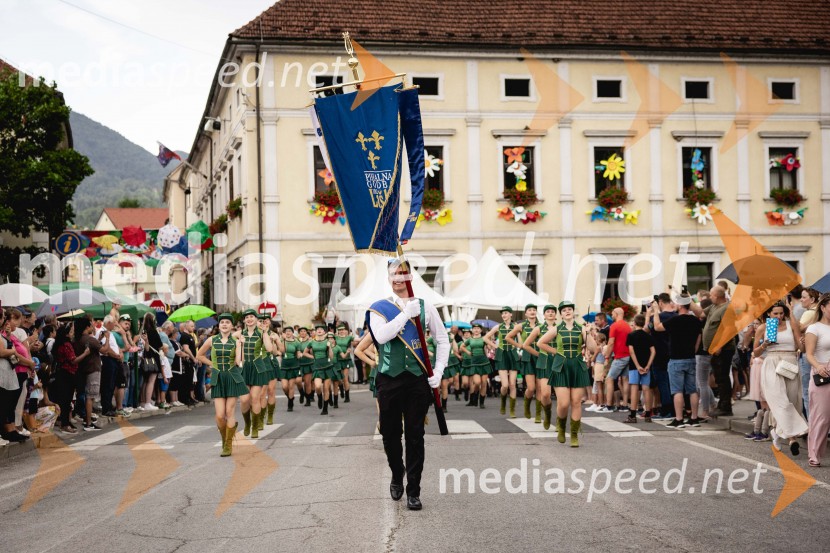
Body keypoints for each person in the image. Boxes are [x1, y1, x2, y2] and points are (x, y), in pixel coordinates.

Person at [367, 259, 449, 511]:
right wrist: (405, 314)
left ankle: (414, 490)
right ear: (388, 278)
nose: (398, 278)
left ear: (410, 277)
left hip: (416, 380)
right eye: (393, 274)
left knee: (415, 436)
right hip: (389, 379)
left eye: (403, 273)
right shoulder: (378, 308)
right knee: (390, 435)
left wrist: (438, 371)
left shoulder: (426, 307)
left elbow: (443, 340)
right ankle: (396, 472)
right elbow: (381, 337)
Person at [538, 301, 594, 447]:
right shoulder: (556, 329)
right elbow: (540, 343)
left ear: (573, 312)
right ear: (561, 314)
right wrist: (556, 352)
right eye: (564, 310)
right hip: (560, 366)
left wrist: (589, 333)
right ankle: (561, 426)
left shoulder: (582, 328)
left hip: (577, 366)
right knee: (563, 403)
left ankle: (574, 435)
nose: (567, 311)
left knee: (576, 402)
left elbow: (593, 348)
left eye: (570, 309)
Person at [754, 300, 806, 456]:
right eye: (775, 313)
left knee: (792, 401)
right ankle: (792, 439)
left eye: (781, 313)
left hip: (790, 362)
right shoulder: (764, 327)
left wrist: (802, 342)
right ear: (769, 313)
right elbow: (755, 353)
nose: (778, 316)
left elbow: (801, 348)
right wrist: (764, 345)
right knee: (780, 401)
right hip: (771, 362)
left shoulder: (791, 325)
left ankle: (776, 432)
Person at [196, 313, 246, 457]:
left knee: (229, 413)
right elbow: (199, 355)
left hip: (232, 377)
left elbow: (239, 362)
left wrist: (241, 346)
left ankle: (228, 445)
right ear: (218, 325)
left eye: (227, 322)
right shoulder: (212, 340)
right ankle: (225, 438)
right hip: (217, 378)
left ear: (232, 326)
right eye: (222, 322)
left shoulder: (236, 342)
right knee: (219, 416)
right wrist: (212, 365)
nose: (224, 324)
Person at [651, 293, 703, 428]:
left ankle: (679, 419)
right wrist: (693, 351)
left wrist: (656, 311)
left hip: (676, 358)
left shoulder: (674, 320)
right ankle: (694, 418)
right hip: (690, 357)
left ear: (679, 305)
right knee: (692, 390)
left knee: (677, 390)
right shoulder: (695, 321)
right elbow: (698, 339)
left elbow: (657, 327)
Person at [690, 285, 736, 417]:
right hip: (715, 349)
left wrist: (719, 345)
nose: (710, 298)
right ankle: (722, 405)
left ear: (717, 296)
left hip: (723, 349)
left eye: (712, 295)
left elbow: (728, 330)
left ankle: (725, 406)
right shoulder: (714, 306)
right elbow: (700, 313)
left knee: (722, 377)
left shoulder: (727, 308)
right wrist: (687, 299)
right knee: (719, 377)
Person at [236, 309, 273, 438]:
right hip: (244, 368)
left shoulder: (261, 333)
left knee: (255, 397)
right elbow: (226, 337)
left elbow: (269, 348)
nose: (249, 319)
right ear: (244, 320)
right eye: (247, 317)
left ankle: (255, 426)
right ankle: (247, 423)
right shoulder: (240, 333)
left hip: (258, 367)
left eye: (252, 316)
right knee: (244, 399)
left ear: (256, 319)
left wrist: (265, 332)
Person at [521, 304, 558, 427]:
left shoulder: (561, 328)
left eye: (553, 311)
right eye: (548, 311)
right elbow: (526, 345)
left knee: (560, 396)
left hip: (559, 362)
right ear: (544, 315)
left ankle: (559, 421)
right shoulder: (538, 328)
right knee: (545, 393)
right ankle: (547, 414)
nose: (551, 313)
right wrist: (538, 354)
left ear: (556, 314)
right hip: (544, 362)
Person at [804, 293, 830, 467]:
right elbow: (809, 354)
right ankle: (814, 454)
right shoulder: (814, 328)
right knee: (822, 418)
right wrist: (818, 366)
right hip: (823, 374)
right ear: (823, 307)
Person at [505, 304, 540, 419]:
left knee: (540, 387)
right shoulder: (521, 326)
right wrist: (519, 345)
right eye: (529, 310)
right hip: (527, 357)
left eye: (534, 310)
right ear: (525, 313)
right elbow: (508, 337)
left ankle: (538, 414)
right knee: (531, 388)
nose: (532, 312)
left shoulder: (541, 325)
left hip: (540, 356)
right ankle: (527, 405)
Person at [53, 324, 89, 433]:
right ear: (67, 334)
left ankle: (66, 422)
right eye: (71, 331)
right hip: (67, 374)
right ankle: (65, 423)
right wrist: (85, 353)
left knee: (66, 400)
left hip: (63, 373)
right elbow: (73, 360)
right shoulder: (66, 345)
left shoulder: (59, 344)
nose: (73, 333)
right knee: (66, 400)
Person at [484, 307, 519, 417]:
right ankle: (503, 402)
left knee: (512, 384)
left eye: (506, 313)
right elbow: (485, 338)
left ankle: (512, 410)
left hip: (513, 354)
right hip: (502, 354)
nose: (503, 315)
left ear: (511, 314)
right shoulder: (498, 326)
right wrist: (495, 347)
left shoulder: (516, 326)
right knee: (505, 385)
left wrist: (518, 337)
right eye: (502, 313)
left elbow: (521, 341)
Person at [74, 317, 104, 431]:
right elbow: (104, 350)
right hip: (92, 369)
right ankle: (88, 422)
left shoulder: (77, 339)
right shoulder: (88, 339)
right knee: (90, 397)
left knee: (86, 395)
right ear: (87, 327)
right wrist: (107, 338)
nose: (93, 327)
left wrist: (99, 339)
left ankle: (87, 420)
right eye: (91, 325)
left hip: (83, 369)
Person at [623, 314, 655, 423]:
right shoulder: (648, 336)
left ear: (635, 323)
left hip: (634, 366)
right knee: (646, 389)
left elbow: (631, 351)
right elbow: (653, 352)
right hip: (646, 366)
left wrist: (637, 366)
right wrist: (647, 366)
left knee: (634, 389)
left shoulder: (631, 335)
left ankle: (632, 415)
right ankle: (648, 414)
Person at [601, 307, 631, 413]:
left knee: (609, 379)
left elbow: (611, 343)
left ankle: (609, 405)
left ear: (616, 313)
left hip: (620, 356)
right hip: (628, 355)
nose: (611, 315)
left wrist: (607, 357)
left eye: (612, 313)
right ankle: (625, 405)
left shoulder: (614, 326)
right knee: (625, 380)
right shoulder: (628, 326)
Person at [460, 323, 495, 409]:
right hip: (474, 363)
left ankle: (482, 402)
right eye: (474, 328)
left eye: (478, 328)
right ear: (472, 330)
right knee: (477, 382)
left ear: (481, 330)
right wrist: (468, 352)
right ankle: (475, 395)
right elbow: (462, 347)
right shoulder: (470, 339)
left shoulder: (484, 338)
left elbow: (491, 348)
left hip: (484, 362)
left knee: (483, 383)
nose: (476, 330)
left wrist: (490, 340)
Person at [798, 287, 820, 417]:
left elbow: (799, 328)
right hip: (815, 353)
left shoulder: (809, 313)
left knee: (807, 391)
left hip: (806, 353)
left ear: (812, 299)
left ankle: (812, 424)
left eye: (804, 297)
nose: (801, 299)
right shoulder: (816, 312)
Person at [304, 323, 334, 415]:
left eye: (321, 329)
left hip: (327, 366)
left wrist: (329, 348)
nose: (319, 330)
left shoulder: (327, 342)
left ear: (324, 332)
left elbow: (331, 357)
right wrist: (313, 357)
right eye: (318, 329)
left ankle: (325, 408)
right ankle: (319, 397)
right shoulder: (311, 342)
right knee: (317, 386)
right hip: (317, 366)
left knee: (326, 388)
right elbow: (305, 352)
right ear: (316, 332)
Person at [279, 325, 303, 412]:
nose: (288, 333)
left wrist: (300, 354)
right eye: (286, 331)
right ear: (284, 333)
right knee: (284, 387)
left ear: (293, 333)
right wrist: (283, 341)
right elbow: (281, 351)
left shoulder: (296, 342)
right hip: (284, 365)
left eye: (290, 331)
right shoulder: (281, 341)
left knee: (291, 386)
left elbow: (298, 352)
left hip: (294, 365)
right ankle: (290, 397)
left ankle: (290, 403)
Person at [335, 324, 356, 403]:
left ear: (345, 330)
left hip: (346, 359)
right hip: (337, 360)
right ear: (338, 331)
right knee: (339, 379)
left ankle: (347, 396)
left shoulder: (349, 337)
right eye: (340, 330)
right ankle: (341, 387)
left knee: (345, 378)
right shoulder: (335, 338)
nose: (341, 331)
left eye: (343, 330)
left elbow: (357, 340)